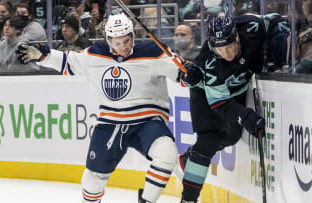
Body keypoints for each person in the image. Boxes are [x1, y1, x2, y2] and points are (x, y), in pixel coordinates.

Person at [16, 10, 199, 203]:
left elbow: (182, 73)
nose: (123, 47)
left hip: (148, 121)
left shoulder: (153, 52)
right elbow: (67, 62)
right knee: (92, 179)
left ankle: (146, 200)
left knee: (167, 153)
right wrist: (43, 55)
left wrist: (190, 74)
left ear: (133, 36)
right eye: (117, 42)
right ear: (109, 40)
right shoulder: (96, 54)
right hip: (110, 123)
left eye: (127, 41)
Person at [174, 15, 266, 203]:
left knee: (232, 136)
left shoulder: (253, 28)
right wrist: (246, 115)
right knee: (208, 141)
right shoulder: (210, 63)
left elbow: (273, 23)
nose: (228, 53)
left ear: (237, 37)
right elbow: (221, 105)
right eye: (220, 49)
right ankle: (188, 199)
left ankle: (190, 157)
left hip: (235, 90)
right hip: (205, 94)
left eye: (231, 46)